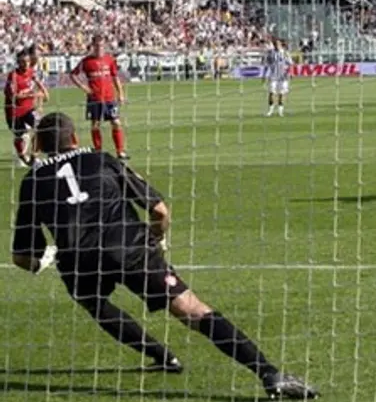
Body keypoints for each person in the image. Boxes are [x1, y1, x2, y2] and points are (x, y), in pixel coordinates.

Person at [11, 112, 319, 400]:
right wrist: (156, 236)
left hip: (80, 260)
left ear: (38, 145)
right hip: (130, 248)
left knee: (96, 304)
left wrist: (43, 261)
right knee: (192, 310)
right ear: (75, 139)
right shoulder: (102, 160)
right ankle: (268, 373)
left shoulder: (33, 181)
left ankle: (161, 355)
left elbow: (22, 257)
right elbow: (159, 210)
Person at [70, 35, 128, 160]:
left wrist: (121, 94)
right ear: (93, 46)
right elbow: (73, 75)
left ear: (104, 46)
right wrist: (84, 87)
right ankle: (98, 150)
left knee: (116, 123)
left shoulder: (110, 60)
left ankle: (120, 151)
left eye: (101, 46)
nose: (99, 48)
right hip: (94, 99)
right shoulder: (86, 61)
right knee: (95, 124)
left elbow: (115, 78)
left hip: (109, 98)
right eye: (97, 46)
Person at [3, 49, 48, 167]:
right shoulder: (13, 76)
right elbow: (13, 97)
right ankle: (22, 156)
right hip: (14, 113)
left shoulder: (31, 71)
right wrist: (33, 95)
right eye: (23, 62)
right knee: (21, 136)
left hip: (28, 110)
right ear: (19, 62)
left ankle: (34, 157)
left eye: (28, 61)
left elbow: (37, 81)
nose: (26, 64)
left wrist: (44, 91)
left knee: (42, 127)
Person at [263, 39, 293, 117]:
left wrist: (291, 73)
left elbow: (290, 64)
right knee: (272, 92)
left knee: (282, 93)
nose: (277, 45)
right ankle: (270, 110)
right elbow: (266, 64)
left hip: (283, 76)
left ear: (281, 44)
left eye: (278, 44)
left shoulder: (285, 53)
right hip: (273, 75)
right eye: (275, 44)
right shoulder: (270, 53)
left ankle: (280, 111)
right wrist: (264, 75)